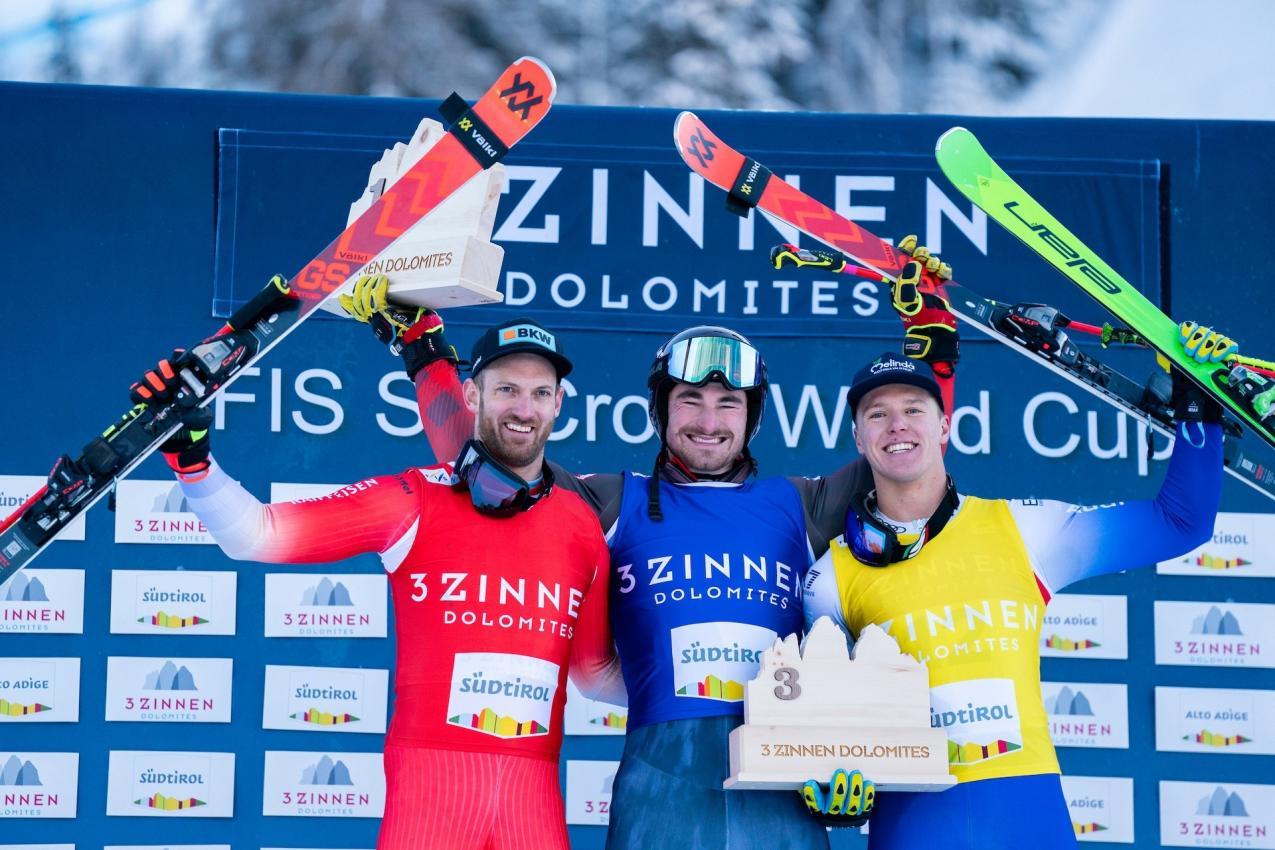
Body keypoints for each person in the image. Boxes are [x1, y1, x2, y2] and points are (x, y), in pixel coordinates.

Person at [339, 239, 961, 848]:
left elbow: (908, 453)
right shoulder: (611, 503)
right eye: (690, 400)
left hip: (781, 792)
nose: (709, 422)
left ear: (751, 416)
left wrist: (931, 341)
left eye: (728, 403)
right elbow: (492, 467)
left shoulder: (799, 505)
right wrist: (424, 353)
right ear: (661, 410)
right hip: (660, 797)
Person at [135, 315, 622, 850]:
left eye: (540, 393)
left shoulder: (582, 527)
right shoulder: (415, 499)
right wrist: (192, 458)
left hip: (533, 797)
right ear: (471, 395)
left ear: (558, 404)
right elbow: (256, 535)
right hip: (431, 795)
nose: (524, 409)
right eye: (506, 389)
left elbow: (596, 676)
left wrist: (694, 701)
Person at [801, 343, 1225, 850]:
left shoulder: (1024, 528)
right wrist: (832, 786)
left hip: (1029, 817)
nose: (897, 425)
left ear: (944, 426)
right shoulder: (832, 575)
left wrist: (1198, 409)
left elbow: (1180, 522)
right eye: (877, 414)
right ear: (858, 437)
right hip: (913, 826)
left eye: (914, 410)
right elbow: (821, 724)